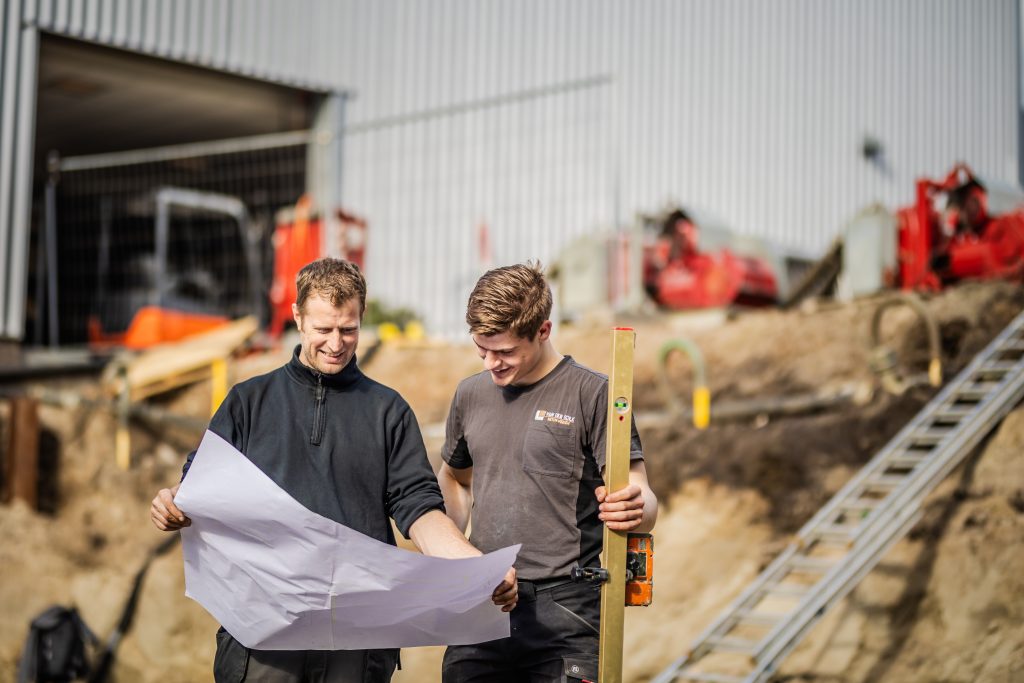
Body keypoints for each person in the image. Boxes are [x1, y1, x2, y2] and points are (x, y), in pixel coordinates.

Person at [150, 257, 516, 683]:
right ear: (298, 318)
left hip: (356, 641)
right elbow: (199, 488)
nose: (337, 343)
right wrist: (172, 502)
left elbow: (419, 510)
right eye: (324, 329)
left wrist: (475, 568)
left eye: (349, 329)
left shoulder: (388, 411)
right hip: (263, 638)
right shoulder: (248, 402)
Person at [438, 262, 658, 682]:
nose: (491, 364)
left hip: (568, 613)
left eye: (504, 352)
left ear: (543, 330)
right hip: (484, 601)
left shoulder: (593, 394)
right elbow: (456, 479)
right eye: (481, 349)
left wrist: (635, 508)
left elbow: (643, 498)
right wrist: (453, 548)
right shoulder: (469, 394)